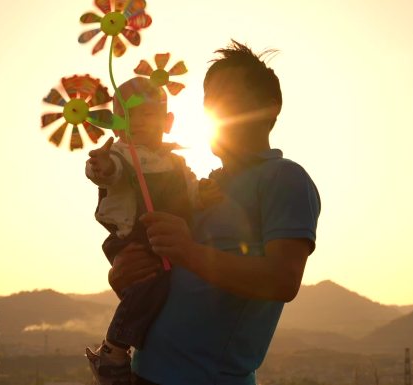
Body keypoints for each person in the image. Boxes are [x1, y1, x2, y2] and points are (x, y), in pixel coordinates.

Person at [108, 40, 322, 385]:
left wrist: (188, 251)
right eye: (210, 101)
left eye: (230, 99)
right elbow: (175, 278)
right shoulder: (200, 187)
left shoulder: (284, 177)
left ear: (269, 108)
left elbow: (282, 280)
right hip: (142, 374)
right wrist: (125, 274)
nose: (216, 110)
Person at [84, 77, 220, 385]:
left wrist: (205, 193)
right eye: (131, 115)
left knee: (162, 288)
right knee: (149, 285)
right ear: (118, 126)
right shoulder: (121, 155)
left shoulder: (176, 162)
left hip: (163, 239)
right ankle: (113, 350)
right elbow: (105, 173)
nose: (141, 122)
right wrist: (100, 165)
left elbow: (190, 191)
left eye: (149, 113)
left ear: (168, 121)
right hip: (132, 235)